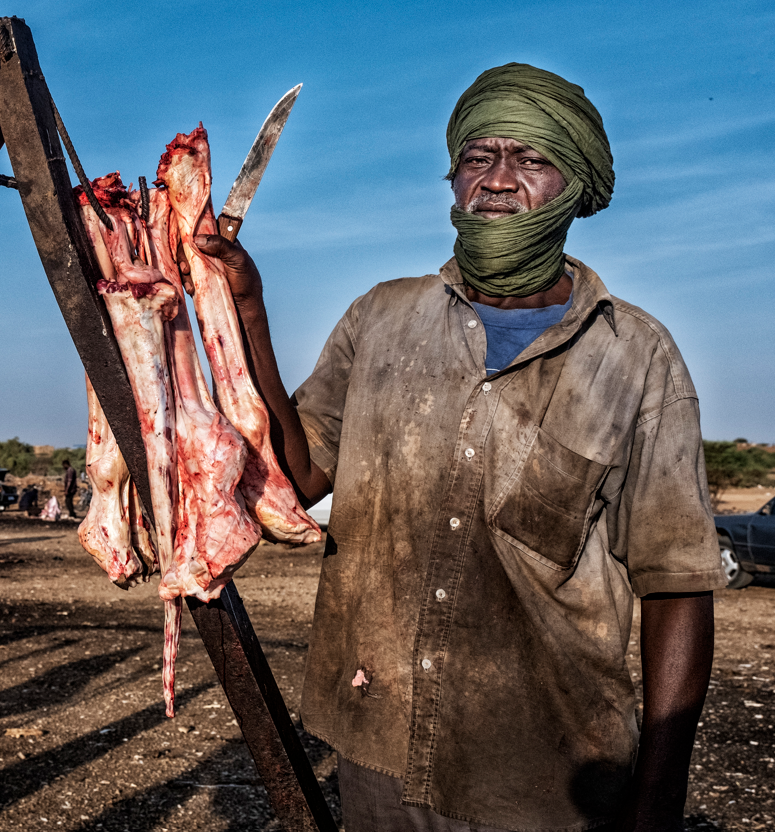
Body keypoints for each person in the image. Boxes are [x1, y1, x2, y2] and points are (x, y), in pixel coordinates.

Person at [192, 64, 722, 832]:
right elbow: (298, 475)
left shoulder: (635, 356)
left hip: (548, 773)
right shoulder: (382, 318)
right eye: (478, 158)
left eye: (532, 160)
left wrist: (658, 802)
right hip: (377, 750)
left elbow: (676, 585)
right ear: (452, 181)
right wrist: (247, 306)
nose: (499, 181)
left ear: (576, 188)